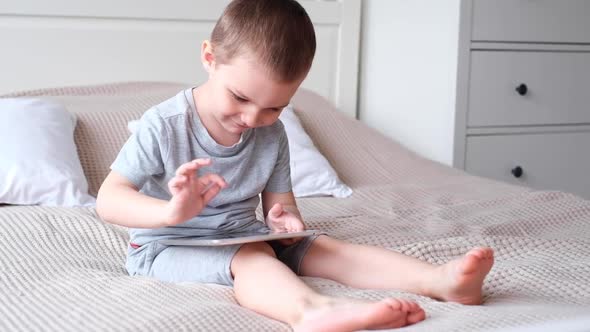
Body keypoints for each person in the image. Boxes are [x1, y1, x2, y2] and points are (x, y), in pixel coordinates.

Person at [96, 0, 494, 331]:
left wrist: (285, 224)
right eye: (239, 97)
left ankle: (439, 281)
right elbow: (109, 200)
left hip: (245, 234)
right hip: (167, 247)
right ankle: (312, 311)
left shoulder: (272, 134)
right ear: (209, 58)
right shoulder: (164, 125)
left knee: (323, 248)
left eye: (274, 107)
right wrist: (170, 211)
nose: (252, 119)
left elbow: (281, 209)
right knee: (252, 259)